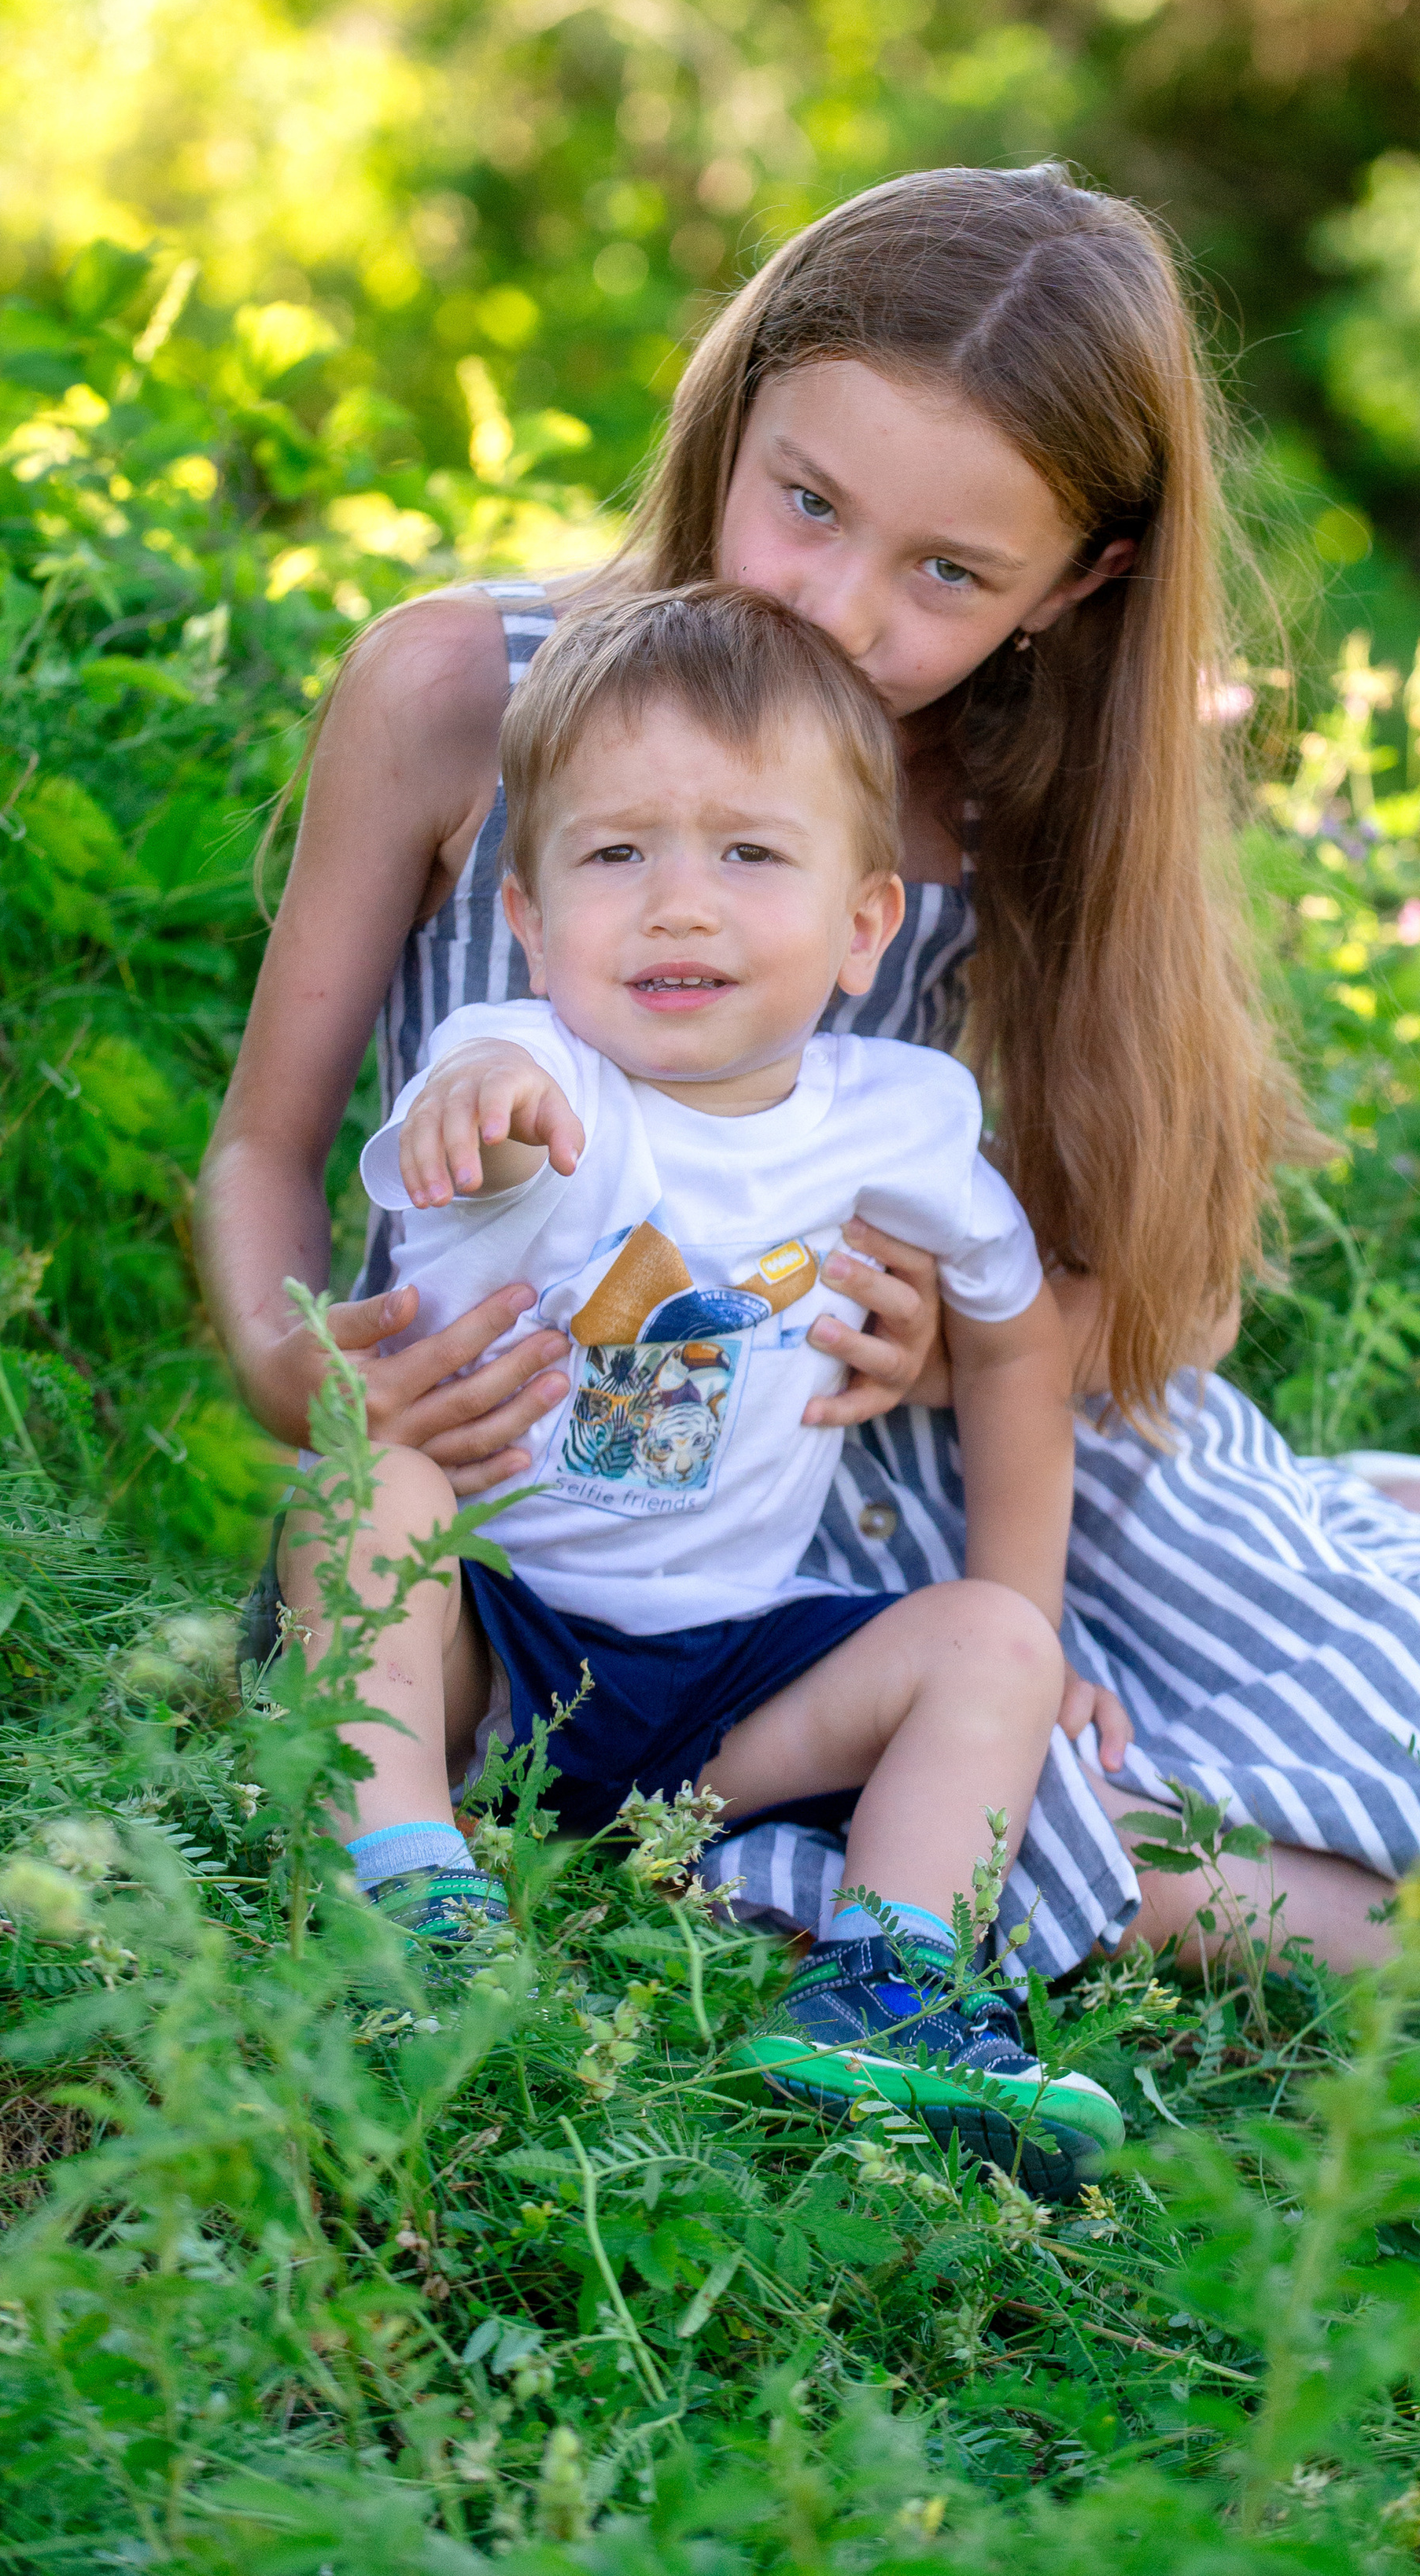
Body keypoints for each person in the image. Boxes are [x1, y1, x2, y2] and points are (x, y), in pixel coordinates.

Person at [202, 162, 1420, 1984]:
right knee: (920, 1850)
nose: (838, 607)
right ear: (735, 411)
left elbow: (1116, 1283)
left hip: (867, 1470)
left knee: (1173, 1782)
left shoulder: (1026, 815)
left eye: (945, 572)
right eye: (807, 504)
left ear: (1078, 581)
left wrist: (937, 1346)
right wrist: (298, 1367)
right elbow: (264, 1153)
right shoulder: (461, 689)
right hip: (515, 1503)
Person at [278, 579, 1123, 2190]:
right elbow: (468, 1095)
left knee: (991, 1642)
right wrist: (491, 1107)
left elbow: (1013, 1331)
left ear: (865, 924)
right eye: (615, 856)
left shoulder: (901, 1118)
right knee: (361, 1492)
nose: (678, 906)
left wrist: (1033, 1612)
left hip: (730, 1688)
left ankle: (888, 1990)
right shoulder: (532, 1068)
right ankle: (404, 1887)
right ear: (526, 916)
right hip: (493, 1640)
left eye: (747, 854)